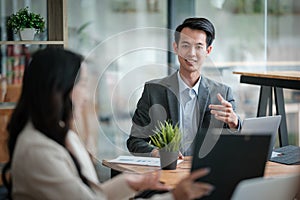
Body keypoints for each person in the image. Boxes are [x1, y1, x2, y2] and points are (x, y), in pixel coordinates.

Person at [1, 48, 214, 200]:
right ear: (59, 88)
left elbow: (90, 195)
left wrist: (130, 184)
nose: (87, 93)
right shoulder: (38, 150)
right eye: (83, 84)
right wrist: (173, 197)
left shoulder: (62, 136)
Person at [127, 17, 241, 157]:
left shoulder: (222, 93)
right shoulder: (154, 91)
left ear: (208, 50)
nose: (191, 53)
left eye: (199, 46)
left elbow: (233, 144)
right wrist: (158, 153)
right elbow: (135, 141)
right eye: (185, 45)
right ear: (176, 47)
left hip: (207, 172)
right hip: (167, 172)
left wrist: (234, 124)